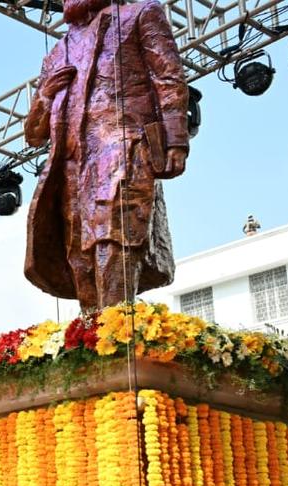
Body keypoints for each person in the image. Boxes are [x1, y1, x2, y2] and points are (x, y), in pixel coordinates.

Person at [22, 0, 189, 311]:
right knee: (79, 254)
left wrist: (175, 139)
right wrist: (45, 95)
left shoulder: (139, 14)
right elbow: (33, 136)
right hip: (71, 164)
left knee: (114, 237)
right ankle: (91, 340)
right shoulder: (57, 53)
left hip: (123, 146)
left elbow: (167, 77)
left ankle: (116, 333)